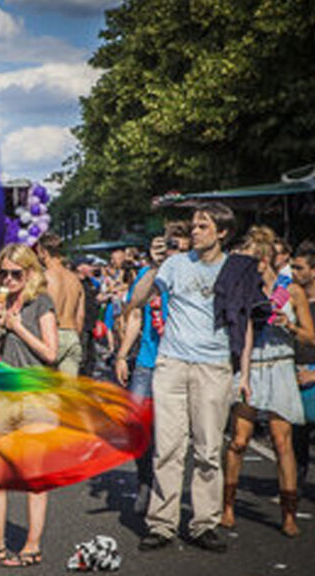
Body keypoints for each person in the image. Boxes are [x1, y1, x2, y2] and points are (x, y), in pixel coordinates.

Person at [127, 202, 249, 553]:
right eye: (193, 226)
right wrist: (154, 265)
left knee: (209, 449)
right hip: (172, 363)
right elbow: (136, 301)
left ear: (222, 233)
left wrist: (245, 371)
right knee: (167, 447)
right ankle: (162, 524)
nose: (194, 232)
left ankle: (203, 523)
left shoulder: (234, 269)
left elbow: (248, 321)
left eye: (202, 227)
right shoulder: (175, 264)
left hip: (213, 366)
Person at [0, 243, 58, 568]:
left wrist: (18, 326)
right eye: (4, 273)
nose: (8, 279)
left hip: (35, 393)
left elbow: (51, 353)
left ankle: (32, 546)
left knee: (34, 476)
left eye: (15, 274)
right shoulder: (3, 303)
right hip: (2, 393)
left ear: (30, 273)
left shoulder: (41, 303)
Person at [221, 231, 314, 537]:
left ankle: (288, 515)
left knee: (282, 441)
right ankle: (228, 506)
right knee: (239, 440)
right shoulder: (244, 289)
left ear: (264, 258)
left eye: (253, 258)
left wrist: (289, 324)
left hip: (280, 366)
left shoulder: (292, 291)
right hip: (251, 367)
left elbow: (311, 337)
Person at [115, 236, 169, 515]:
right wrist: (122, 355)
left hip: (177, 361)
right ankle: (145, 478)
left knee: (169, 432)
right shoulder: (150, 275)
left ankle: (163, 491)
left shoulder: (187, 271)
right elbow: (134, 311)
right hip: (147, 361)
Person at [36, 233, 84, 375]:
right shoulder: (75, 280)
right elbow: (80, 317)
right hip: (73, 336)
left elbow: (45, 312)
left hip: (53, 336)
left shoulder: (45, 278)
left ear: (44, 252)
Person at [291, 240, 315, 492]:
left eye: (299, 268)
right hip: (293, 373)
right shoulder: (292, 300)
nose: (294, 273)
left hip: (313, 375)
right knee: (294, 440)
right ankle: (293, 490)